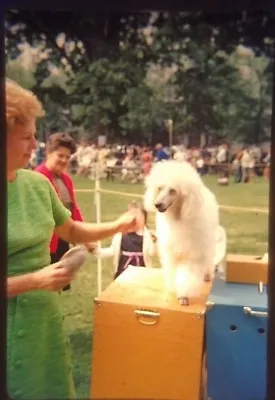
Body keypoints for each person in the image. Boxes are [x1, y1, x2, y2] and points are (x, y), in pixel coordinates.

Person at [6, 78, 137, 400]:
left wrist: (119, 225)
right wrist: (33, 280)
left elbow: (73, 231)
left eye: (36, 135)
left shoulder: (36, 184)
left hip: (43, 320)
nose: (34, 145)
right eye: (25, 137)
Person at [35, 132, 94, 291]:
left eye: (67, 157)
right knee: (43, 288)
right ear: (48, 153)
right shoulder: (37, 177)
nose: (64, 160)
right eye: (60, 155)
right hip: (44, 244)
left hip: (62, 241)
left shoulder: (66, 179)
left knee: (58, 286)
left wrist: (84, 235)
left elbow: (73, 210)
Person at [97, 202, 156, 279]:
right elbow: (112, 250)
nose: (135, 219)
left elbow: (151, 253)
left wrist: (155, 241)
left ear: (144, 219)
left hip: (141, 273)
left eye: (139, 216)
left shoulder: (147, 235)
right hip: (123, 272)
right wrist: (95, 250)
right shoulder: (120, 235)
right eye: (132, 215)